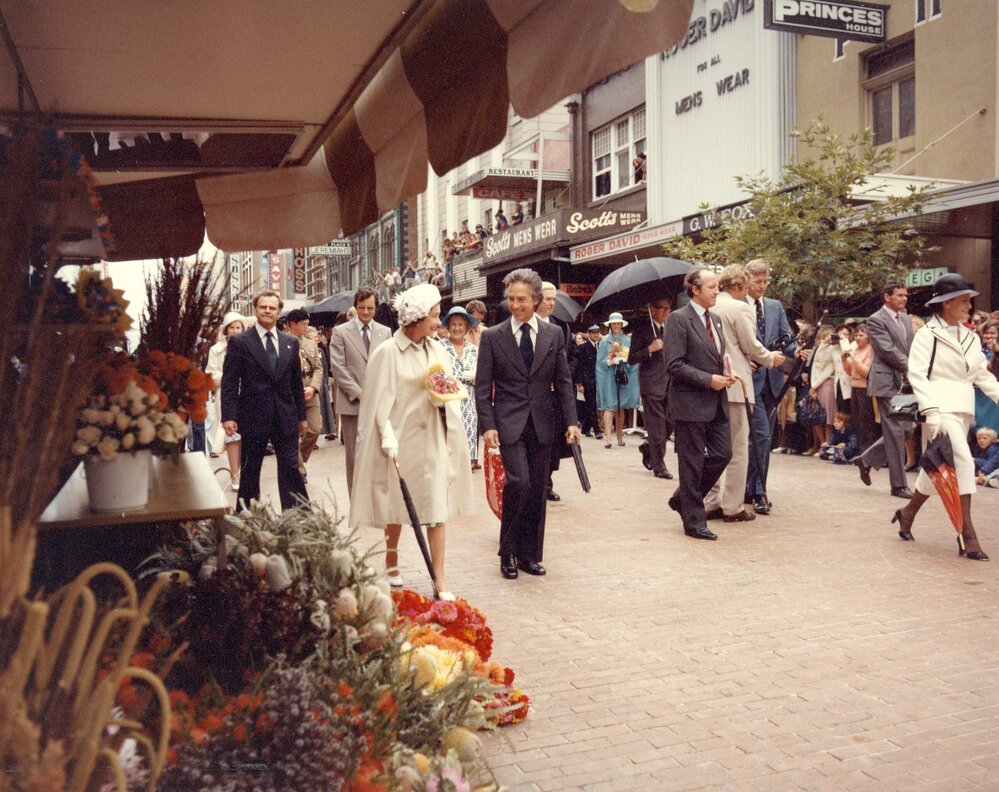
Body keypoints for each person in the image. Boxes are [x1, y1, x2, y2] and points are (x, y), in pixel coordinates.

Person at [349, 284, 473, 600]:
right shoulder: (386, 353)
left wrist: (444, 398)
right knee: (397, 505)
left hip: (432, 439)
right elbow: (376, 401)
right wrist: (385, 433)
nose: (438, 321)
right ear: (416, 318)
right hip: (399, 441)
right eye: (433, 315)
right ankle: (391, 559)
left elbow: (448, 387)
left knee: (436, 507)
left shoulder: (437, 349)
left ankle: (439, 579)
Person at [475, 268, 581, 580]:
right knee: (517, 483)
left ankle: (530, 554)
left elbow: (563, 381)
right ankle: (507, 552)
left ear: (536, 301)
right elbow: (483, 388)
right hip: (508, 423)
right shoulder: (493, 337)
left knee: (536, 489)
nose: (515, 305)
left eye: (521, 299)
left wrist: (572, 421)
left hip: (543, 423)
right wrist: (488, 426)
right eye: (510, 299)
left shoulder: (553, 335)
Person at [890, 274, 999, 559]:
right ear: (946, 303)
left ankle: (907, 513)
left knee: (936, 468)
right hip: (938, 409)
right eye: (963, 300)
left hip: (963, 409)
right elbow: (917, 374)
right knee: (962, 461)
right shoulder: (926, 334)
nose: (969, 305)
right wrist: (931, 411)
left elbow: (980, 375)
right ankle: (967, 534)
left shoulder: (971, 337)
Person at [703, 265, 784, 522]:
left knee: (715, 447)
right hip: (737, 384)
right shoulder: (739, 308)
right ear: (739, 286)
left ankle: (710, 500)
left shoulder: (710, 307)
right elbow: (752, 345)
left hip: (712, 384)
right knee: (739, 447)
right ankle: (733, 505)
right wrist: (771, 358)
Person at [664, 269, 736, 540]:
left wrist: (726, 374)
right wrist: (708, 380)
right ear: (695, 290)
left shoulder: (715, 320)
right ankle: (694, 521)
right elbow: (673, 364)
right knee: (691, 462)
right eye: (712, 286)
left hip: (717, 401)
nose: (717, 291)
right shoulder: (678, 320)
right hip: (690, 403)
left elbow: (715, 357)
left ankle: (682, 498)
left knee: (723, 453)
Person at [221, 290, 308, 510]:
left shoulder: (290, 342)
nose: (267, 311)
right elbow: (230, 381)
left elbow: (296, 382)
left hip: (286, 416)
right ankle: (246, 522)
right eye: (263, 307)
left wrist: (302, 416)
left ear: (279, 312)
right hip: (253, 416)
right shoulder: (240, 342)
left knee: (290, 469)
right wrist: (229, 416)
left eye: (272, 308)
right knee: (250, 472)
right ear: (256, 309)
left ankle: (298, 521)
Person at [743, 259, 796, 515]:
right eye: (758, 281)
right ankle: (759, 492)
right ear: (746, 280)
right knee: (760, 436)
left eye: (766, 281)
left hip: (773, 383)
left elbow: (786, 338)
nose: (762, 286)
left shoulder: (774, 306)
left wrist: (798, 350)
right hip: (749, 381)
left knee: (761, 439)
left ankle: (750, 486)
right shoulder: (737, 306)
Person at [328, 287, 392, 497]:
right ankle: (356, 498)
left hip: (379, 402)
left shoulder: (385, 332)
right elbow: (338, 367)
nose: (366, 313)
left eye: (370, 308)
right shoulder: (341, 332)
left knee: (379, 451)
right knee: (354, 455)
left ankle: (376, 496)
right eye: (362, 308)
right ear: (355, 307)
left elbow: (388, 365)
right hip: (352, 403)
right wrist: (358, 393)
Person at [856, 282, 915, 498]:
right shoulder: (875, 320)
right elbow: (887, 350)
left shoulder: (906, 319)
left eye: (906, 295)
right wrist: (912, 365)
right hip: (886, 382)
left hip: (904, 382)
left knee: (906, 429)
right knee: (896, 431)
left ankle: (866, 459)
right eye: (899, 295)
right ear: (886, 297)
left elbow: (912, 346)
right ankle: (898, 485)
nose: (904, 299)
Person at [628, 296, 675, 480]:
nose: (666, 312)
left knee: (670, 422)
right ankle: (659, 466)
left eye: (668, 309)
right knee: (657, 427)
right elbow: (632, 358)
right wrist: (649, 349)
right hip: (651, 383)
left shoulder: (670, 328)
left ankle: (649, 448)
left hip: (670, 382)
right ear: (652, 309)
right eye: (662, 309)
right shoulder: (642, 329)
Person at [284, 308, 324, 481]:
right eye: (303, 324)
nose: (307, 328)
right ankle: (299, 469)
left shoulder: (310, 343)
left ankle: (298, 458)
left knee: (315, 430)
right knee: (293, 433)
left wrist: (314, 387)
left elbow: (318, 368)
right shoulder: (283, 343)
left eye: (308, 324)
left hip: (310, 393)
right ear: (292, 324)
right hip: (293, 394)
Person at [205, 311, 245, 488]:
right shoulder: (216, 350)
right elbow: (211, 375)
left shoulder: (250, 346)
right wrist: (231, 376)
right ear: (226, 330)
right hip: (227, 394)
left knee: (247, 435)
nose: (236, 331)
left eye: (239, 327)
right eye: (232, 327)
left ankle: (245, 472)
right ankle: (235, 475)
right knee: (232, 435)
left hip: (248, 393)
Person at [439, 306, 480, 470]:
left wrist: (476, 375)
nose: (457, 328)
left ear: (467, 328)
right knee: (448, 447)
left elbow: (483, 377)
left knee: (466, 447)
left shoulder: (474, 350)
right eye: (453, 324)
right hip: (447, 402)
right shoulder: (440, 347)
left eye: (460, 325)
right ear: (448, 327)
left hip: (469, 402)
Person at [596, 312, 640, 449]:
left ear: (621, 324)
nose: (616, 325)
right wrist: (609, 361)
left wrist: (625, 361)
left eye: (618, 323)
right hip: (609, 376)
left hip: (623, 375)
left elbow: (633, 359)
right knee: (610, 406)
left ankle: (620, 436)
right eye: (613, 323)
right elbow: (599, 363)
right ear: (610, 325)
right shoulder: (604, 341)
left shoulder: (627, 341)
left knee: (620, 407)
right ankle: (608, 438)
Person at [841, 323, 879, 453]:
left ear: (868, 336)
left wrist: (854, 359)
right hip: (854, 387)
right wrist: (844, 359)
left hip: (865, 388)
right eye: (856, 335)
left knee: (866, 421)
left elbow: (866, 372)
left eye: (861, 335)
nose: (857, 338)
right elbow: (849, 372)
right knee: (856, 421)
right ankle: (859, 449)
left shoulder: (870, 349)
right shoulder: (856, 350)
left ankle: (867, 450)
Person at [803, 325, 837, 456]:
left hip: (827, 383)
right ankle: (822, 444)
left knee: (828, 418)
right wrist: (813, 386)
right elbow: (815, 368)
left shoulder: (833, 349)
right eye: (820, 337)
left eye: (824, 337)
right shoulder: (818, 349)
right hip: (816, 384)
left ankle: (827, 445)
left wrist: (814, 385)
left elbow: (828, 369)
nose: (822, 340)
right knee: (816, 416)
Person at [573, 324, 603, 439]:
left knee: (592, 405)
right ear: (588, 334)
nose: (596, 334)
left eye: (597, 332)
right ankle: (597, 430)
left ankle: (586, 428)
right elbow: (579, 367)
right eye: (593, 332)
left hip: (599, 378)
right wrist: (579, 383)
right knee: (591, 404)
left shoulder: (600, 346)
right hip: (587, 380)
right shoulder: (582, 347)